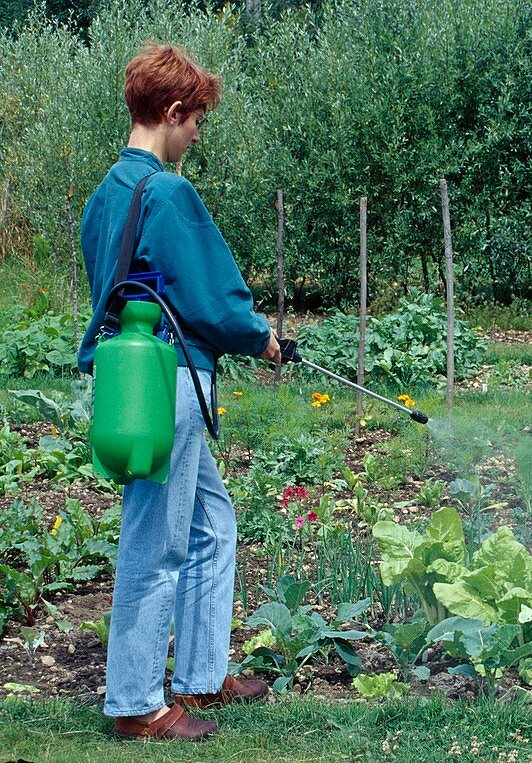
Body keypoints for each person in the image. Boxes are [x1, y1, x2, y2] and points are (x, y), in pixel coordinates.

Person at [77, 42, 280, 741]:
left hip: (131, 377)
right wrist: (261, 336)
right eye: (196, 120)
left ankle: (199, 672)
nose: (198, 134)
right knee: (155, 542)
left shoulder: (108, 192)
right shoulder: (168, 192)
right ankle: (135, 701)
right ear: (171, 112)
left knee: (211, 524)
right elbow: (211, 297)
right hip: (172, 381)